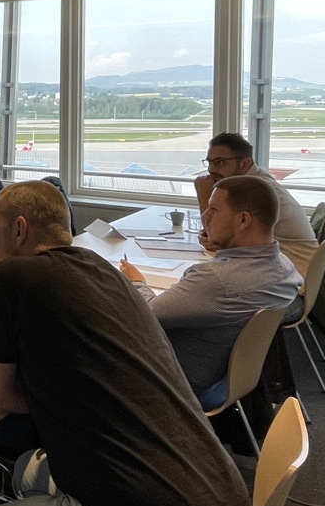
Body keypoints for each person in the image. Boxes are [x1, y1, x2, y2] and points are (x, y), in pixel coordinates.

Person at [0, 181, 251, 506]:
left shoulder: (13, 276)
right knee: (27, 472)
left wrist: (54, 394)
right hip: (221, 503)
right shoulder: (105, 271)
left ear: (19, 229)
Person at [121, 175, 302, 408]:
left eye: (214, 209)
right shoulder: (284, 267)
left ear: (243, 219)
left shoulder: (216, 281)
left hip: (172, 382)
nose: (204, 216)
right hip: (226, 380)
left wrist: (136, 282)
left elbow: (145, 315)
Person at [196, 132, 317, 275]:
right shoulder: (253, 182)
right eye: (209, 162)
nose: (211, 170)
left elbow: (218, 242)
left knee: (203, 282)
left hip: (292, 277)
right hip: (282, 268)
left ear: (244, 163)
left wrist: (204, 196)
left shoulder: (258, 190)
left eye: (219, 162)